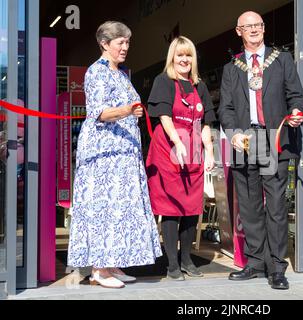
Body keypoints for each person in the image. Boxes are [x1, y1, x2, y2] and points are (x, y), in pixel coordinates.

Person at [67, 21, 162, 289]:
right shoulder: (95, 72)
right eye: (120, 42)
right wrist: (128, 111)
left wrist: (132, 112)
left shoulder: (120, 74)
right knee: (104, 206)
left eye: (127, 42)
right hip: (104, 153)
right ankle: (99, 268)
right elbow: (99, 112)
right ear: (104, 44)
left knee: (119, 207)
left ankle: (111, 263)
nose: (125, 47)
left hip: (122, 152)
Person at [218, 11, 303, 290]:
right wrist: (233, 134)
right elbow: (226, 108)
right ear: (238, 31)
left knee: (277, 205)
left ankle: (277, 267)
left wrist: (296, 112)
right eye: (248, 26)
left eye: (258, 25)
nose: (254, 29)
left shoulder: (282, 60)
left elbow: (296, 95)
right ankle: (255, 262)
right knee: (249, 205)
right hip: (245, 140)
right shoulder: (232, 68)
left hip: (275, 138)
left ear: (264, 28)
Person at [146, 36, 216, 281]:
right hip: (168, 150)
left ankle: (187, 259)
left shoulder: (200, 86)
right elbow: (164, 116)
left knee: (191, 208)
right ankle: (172, 263)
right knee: (171, 208)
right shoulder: (163, 81)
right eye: (180, 55)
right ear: (172, 58)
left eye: (188, 55)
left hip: (193, 151)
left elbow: (206, 122)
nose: (184, 59)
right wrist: (177, 142)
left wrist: (210, 152)